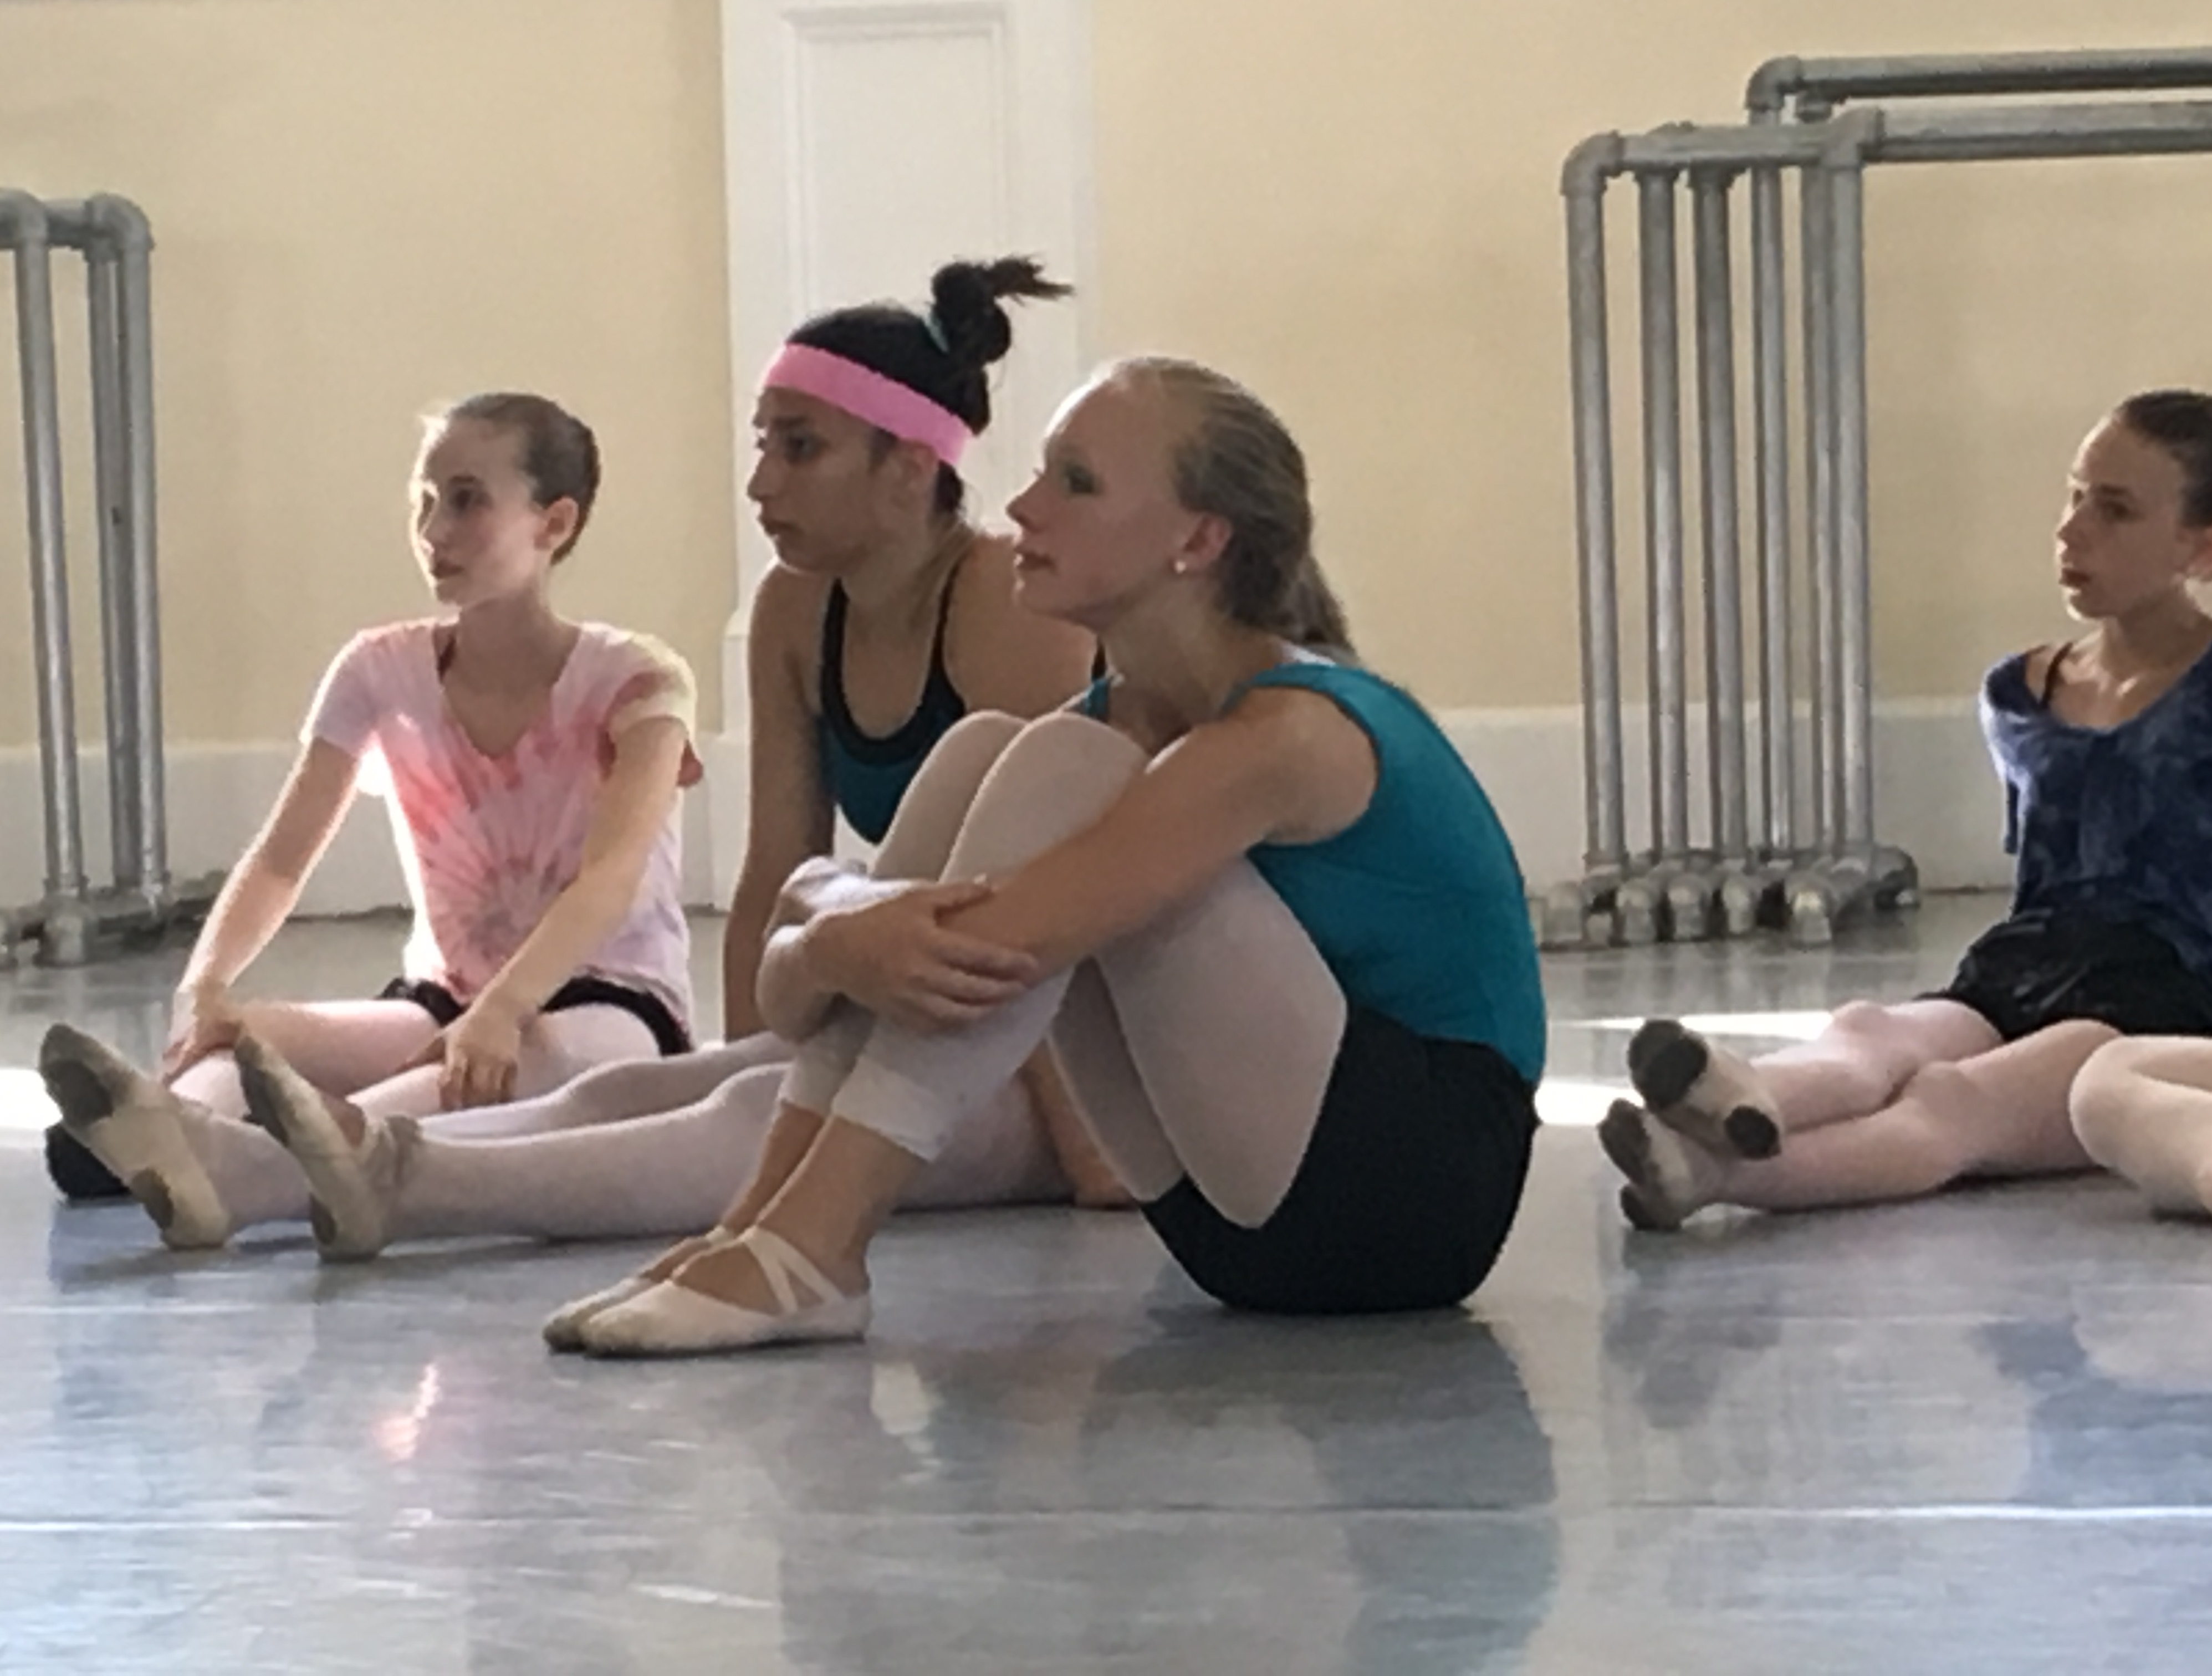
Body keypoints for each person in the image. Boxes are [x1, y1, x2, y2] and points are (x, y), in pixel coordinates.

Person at [433, 353, 1550, 1355]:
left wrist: (827, 920)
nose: (1022, 507)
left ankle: (815, 1250)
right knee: (991, 752)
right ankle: (759, 1230)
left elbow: (980, 950)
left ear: (1199, 541)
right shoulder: (1108, 726)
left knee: (1053, 774)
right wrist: (833, 934)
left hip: (1400, 1213)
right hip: (1228, 1222)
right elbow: (801, 1000)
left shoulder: (1289, 732)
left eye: (1077, 482)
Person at [51, 262, 1123, 1260]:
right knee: (646, 1097)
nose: (760, 481)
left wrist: (1099, 1147)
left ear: (910, 470)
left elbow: (1045, 914)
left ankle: (332, 1177)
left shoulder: (1003, 604)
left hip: (1071, 1059)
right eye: (761, 444)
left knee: (744, 1117)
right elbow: (774, 876)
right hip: (945, 1018)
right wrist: (759, 1048)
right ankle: (258, 1166)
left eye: (800, 448)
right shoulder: (799, 609)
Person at [39, 392, 701, 1243]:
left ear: (555, 522)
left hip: (606, 1008)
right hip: (442, 1002)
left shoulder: (640, 681)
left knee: (538, 1059)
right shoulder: (377, 669)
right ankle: (178, 1133)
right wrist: (205, 991)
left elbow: (609, 880)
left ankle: (256, 1164)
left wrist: (504, 1012)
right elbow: (281, 859)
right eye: (424, 501)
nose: (434, 530)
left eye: (467, 500)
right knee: (241, 1039)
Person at [1601, 389, 2212, 1229]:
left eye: (2114, 511)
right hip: (2024, 964)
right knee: (1873, 1033)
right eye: (2075, 495)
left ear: (2207, 547)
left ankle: (1717, 1176)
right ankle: (1736, 1093)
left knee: (1954, 1102)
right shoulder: (2021, 692)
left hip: (2165, 1000)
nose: (2072, 531)